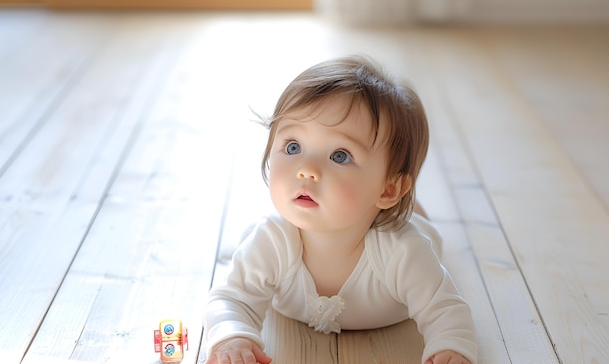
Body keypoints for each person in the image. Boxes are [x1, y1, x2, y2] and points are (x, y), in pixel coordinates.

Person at [203, 56, 477, 364]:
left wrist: (452, 350)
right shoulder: (271, 241)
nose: (306, 169)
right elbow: (231, 298)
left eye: (340, 155)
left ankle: (408, 205)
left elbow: (446, 309)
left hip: (401, 227)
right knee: (250, 238)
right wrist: (233, 336)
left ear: (388, 189)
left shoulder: (404, 252)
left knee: (416, 220)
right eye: (293, 147)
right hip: (340, 213)